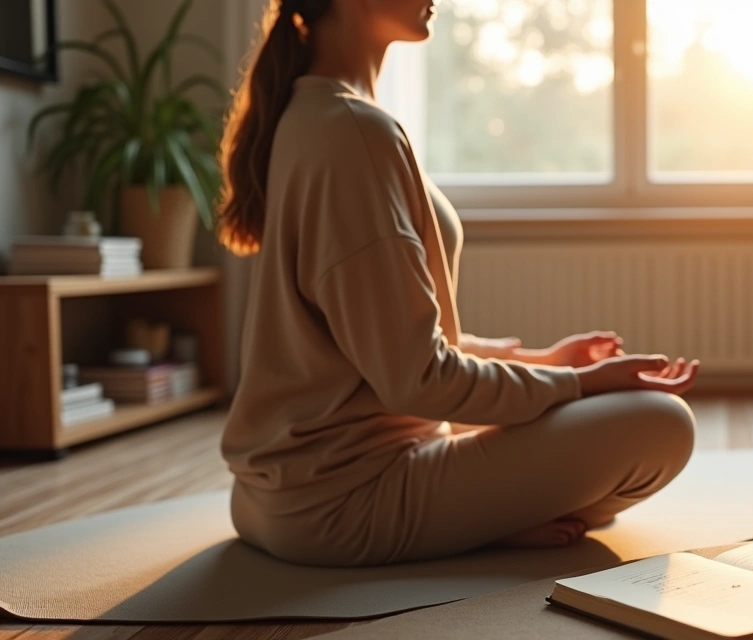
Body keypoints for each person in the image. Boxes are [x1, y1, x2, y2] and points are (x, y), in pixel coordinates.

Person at [215, 0, 701, 567]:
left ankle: (483, 522)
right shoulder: (353, 132)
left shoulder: (311, 114)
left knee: (604, 462)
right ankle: (482, 527)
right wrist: (583, 385)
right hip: (343, 502)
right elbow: (416, 379)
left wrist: (550, 364)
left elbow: (388, 353)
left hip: (270, 497)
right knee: (661, 425)